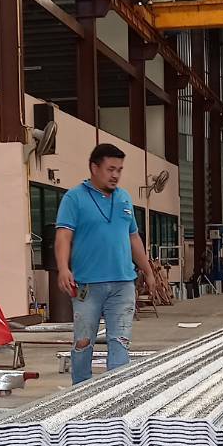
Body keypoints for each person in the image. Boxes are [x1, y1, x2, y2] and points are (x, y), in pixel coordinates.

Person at [55, 143, 169, 385]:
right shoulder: (74, 198)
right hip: (88, 286)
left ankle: (117, 391)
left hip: (123, 285)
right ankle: (81, 391)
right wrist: (63, 268)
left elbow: (133, 238)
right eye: (110, 169)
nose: (115, 175)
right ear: (94, 168)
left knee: (120, 342)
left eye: (119, 169)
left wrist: (148, 271)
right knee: (83, 342)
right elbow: (63, 236)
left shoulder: (124, 198)